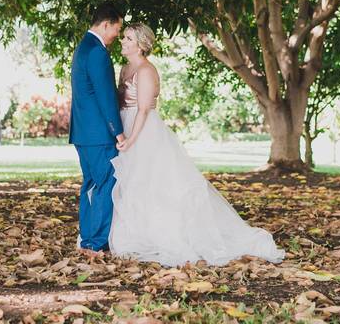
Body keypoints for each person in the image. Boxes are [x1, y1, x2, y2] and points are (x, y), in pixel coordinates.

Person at [108, 22, 284, 266]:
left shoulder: (147, 71)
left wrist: (131, 140)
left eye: (128, 38)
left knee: (153, 183)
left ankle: (166, 236)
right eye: (124, 37)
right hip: (126, 125)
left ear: (140, 45)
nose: (123, 42)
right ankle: (138, 234)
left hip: (143, 131)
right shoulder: (126, 68)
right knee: (133, 184)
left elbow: (144, 109)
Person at [69, 1, 125, 256]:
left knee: (91, 184)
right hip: (99, 134)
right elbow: (105, 97)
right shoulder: (98, 52)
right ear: (106, 24)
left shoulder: (83, 48)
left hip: (83, 133)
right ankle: (95, 243)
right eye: (117, 29)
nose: (117, 35)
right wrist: (118, 131)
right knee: (105, 185)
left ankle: (87, 238)